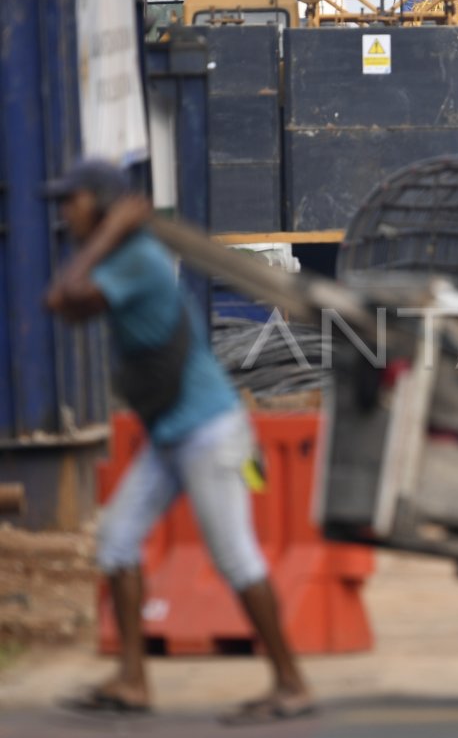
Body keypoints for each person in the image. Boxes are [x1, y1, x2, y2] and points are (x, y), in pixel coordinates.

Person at [44, 160, 313, 726]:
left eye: (73, 203)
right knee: (117, 539)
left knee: (234, 557)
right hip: (171, 432)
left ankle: (291, 683)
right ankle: (133, 681)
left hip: (208, 430)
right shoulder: (121, 256)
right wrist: (108, 233)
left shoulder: (133, 258)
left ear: (102, 205)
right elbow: (66, 307)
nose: (65, 215)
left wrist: (113, 231)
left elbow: (63, 295)